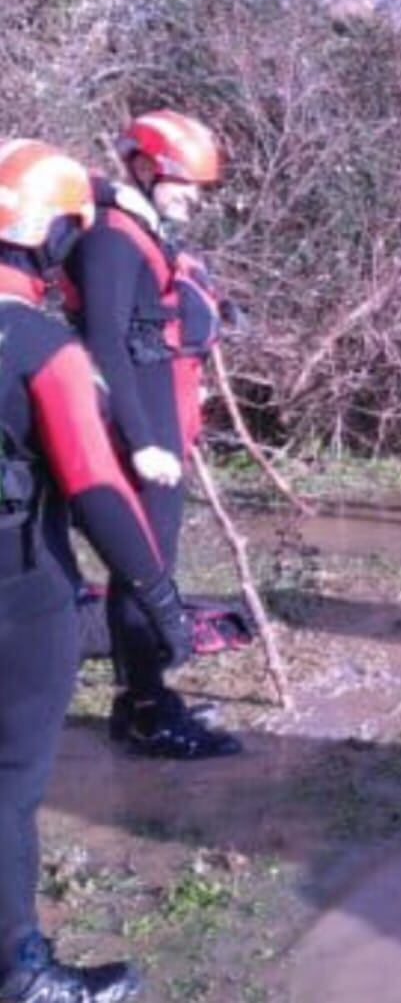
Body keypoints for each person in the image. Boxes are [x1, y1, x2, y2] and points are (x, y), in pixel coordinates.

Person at [0, 138, 195, 1003]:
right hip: (20, 595)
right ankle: (19, 972)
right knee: (9, 786)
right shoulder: (44, 345)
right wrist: (157, 596)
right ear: (48, 238)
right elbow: (94, 488)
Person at [60, 110, 241, 759]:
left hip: (160, 421)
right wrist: (141, 441)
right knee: (144, 569)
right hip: (139, 431)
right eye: (184, 183)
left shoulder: (143, 229)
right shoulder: (112, 236)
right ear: (145, 168)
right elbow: (106, 339)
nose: (195, 197)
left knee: (152, 564)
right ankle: (146, 712)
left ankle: (140, 698)